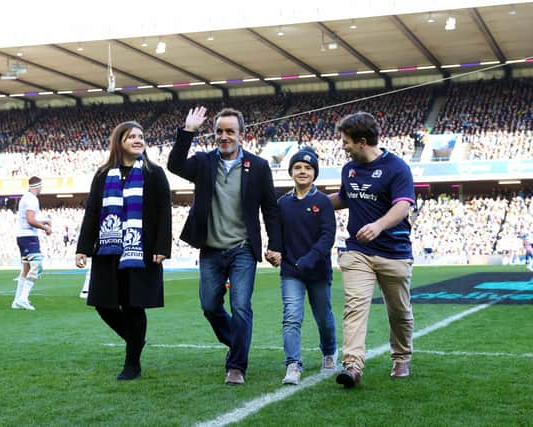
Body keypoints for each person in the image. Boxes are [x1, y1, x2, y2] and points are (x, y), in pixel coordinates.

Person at [167, 106, 282, 385]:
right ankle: (238, 342)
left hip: (243, 249)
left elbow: (270, 209)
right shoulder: (204, 162)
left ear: (242, 135)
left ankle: (236, 366)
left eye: (230, 131)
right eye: (219, 131)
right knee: (209, 306)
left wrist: (275, 245)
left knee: (241, 306)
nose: (224, 136)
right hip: (210, 249)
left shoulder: (258, 166)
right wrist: (188, 131)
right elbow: (175, 165)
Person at [76, 121, 171, 381]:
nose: (138, 140)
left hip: (142, 250)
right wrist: (83, 248)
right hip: (108, 250)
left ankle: (132, 364)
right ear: (120, 142)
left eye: (141, 137)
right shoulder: (102, 174)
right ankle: (135, 340)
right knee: (103, 304)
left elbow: (165, 211)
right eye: (132, 137)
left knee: (133, 305)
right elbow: (93, 211)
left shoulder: (155, 173)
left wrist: (163, 246)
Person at [329, 111, 415, 388]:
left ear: (362, 141)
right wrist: (309, 202)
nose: (343, 146)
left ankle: (401, 357)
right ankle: (352, 366)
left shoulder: (397, 167)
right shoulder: (348, 169)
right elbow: (344, 197)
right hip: (357, 251)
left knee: (399, 311)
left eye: (346, 141)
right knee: (354, 306)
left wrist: (379, 225)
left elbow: (403, 205)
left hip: (394, 252)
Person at [277, 148, 338, 385]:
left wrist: (310, 259)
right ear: (291, 171)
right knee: (291, 317)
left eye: (308, 168)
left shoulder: (322, 201)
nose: (303, 171)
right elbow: (278, 235)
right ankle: (293, 364)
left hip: (318, 270)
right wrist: (275, 252)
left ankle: (329, 352)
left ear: (315, 173)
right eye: (298, 167)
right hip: (291, 271)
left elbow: (327, 236)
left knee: (323, 317)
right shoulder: (282, 203)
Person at [12, 176, 52, 310]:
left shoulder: (25, 197)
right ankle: (23, 298)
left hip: (22, 236)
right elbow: (30, 219)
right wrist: (45, 227)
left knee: (26, 269)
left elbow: (32, 217)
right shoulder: (32, 200)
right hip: (29, 237)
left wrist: (44, 221)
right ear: (38, 186)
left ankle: (17, 300)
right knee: (37, 267)